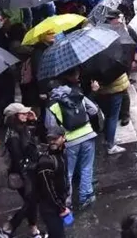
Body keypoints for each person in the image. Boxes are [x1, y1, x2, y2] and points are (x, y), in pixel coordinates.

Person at [44, 70, 100, 209]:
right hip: (88, 134)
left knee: (67, 171)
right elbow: (93, 110)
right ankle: (85, 196)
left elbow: (51, 127)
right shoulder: (77, 94)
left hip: (69, 141)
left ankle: (66, 201)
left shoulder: (52, 105)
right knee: (87, 167)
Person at [0, 103, 42, 238]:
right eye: (22, 113)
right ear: (14, 116)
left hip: (31, 171)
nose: (26, 115)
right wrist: (27, 177)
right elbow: (18, 160)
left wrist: (34, 120)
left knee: (32, 201)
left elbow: (39, 133)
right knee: (31, 201)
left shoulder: (23, 128)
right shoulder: (13, 136)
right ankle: (9, 227)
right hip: (24, 174)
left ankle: (33, 230)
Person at [35, 134, 70, 238]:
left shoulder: (63, 154)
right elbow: (48, 189)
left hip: (58, 203)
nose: (52, 141)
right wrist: (61, 208)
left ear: (63, 138)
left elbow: (65, 176)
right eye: (50, 139)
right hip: (50, 208)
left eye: (55, 138)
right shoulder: (46, 161)